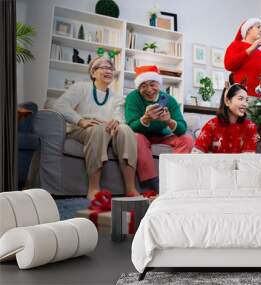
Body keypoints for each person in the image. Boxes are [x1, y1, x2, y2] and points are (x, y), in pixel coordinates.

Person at [53, 56, 140, 200]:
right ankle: (94, 189)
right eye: (104, 67)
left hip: (107, 130)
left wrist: (117, 121)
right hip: (82, 128)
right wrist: (80, 120)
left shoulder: (116, 97)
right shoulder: (80, 87)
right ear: (93, 73)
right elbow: (59, 105)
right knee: (99, 129)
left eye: (111, 68)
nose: (109, 71)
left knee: (126, 130)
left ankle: (130, 189)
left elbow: (120, 116)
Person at [125, 65, 193, 191]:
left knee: (187, 139)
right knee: (136, 137)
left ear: (159, 84)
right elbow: (131, 125)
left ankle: (176, 178)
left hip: (163, 136)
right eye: (143, 86)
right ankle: (152, 182)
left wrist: (169, 121)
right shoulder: (133, 97)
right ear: (138, 87)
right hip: (143, 136)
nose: (149, 89)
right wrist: (145, 118)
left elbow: (182, 128)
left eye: (152, 84)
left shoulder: (169, 99)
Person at [192, 83, 259, 153]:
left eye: (246, 100)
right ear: (227, 101)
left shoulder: (250, 127)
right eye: (240, 99)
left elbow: (248, 159)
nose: (245, 104)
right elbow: (196, 154)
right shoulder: (212, 125)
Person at [224, 18, 261, 98]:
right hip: (243, 98)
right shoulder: (236, 45)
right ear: (248, 30)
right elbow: (228, 65)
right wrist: (252, 48)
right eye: (258, 27)